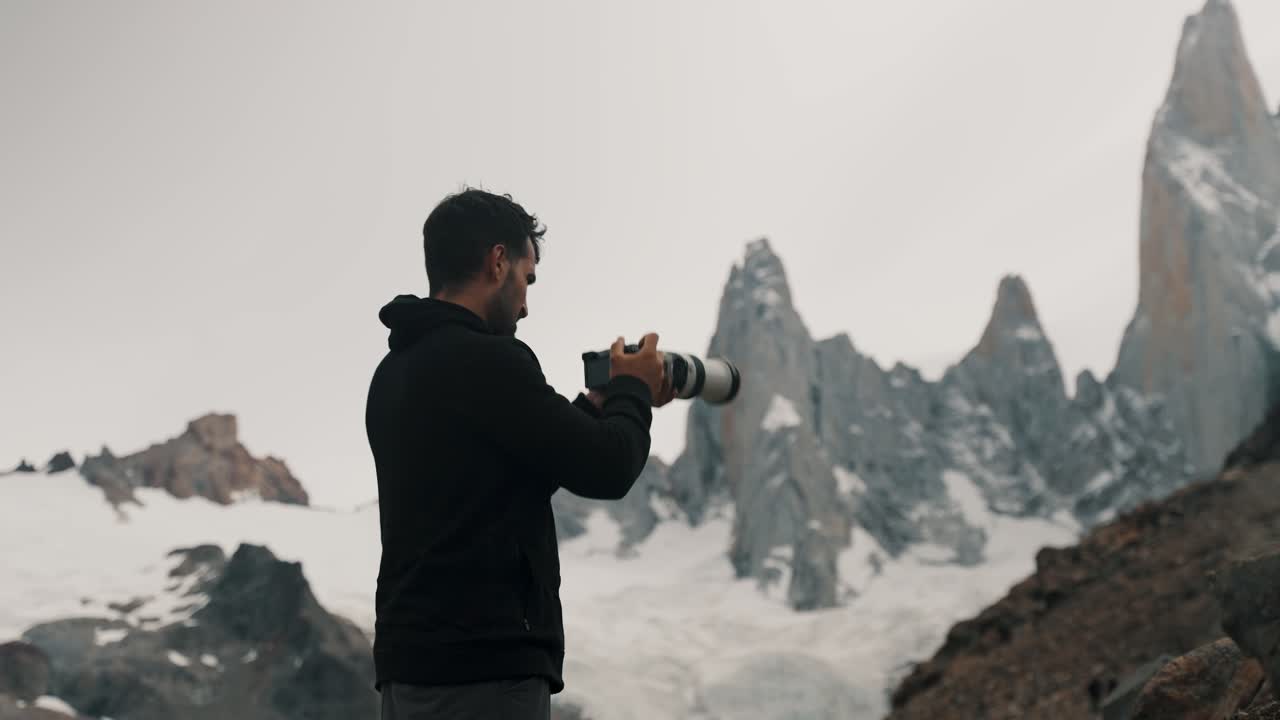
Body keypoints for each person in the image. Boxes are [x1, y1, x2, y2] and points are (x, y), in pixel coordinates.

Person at [365, 187, 675, 719]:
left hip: (410, 667)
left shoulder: (396, 371)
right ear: (498, 260)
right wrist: (634, 393)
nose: (527, 305)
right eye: (527, 279)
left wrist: (597, 404)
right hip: (486, 666)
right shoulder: (488, 361)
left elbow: (505, 468)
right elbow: (608, 467)